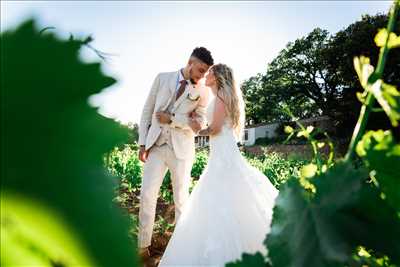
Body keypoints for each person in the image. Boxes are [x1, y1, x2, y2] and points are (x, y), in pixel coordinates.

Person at [159, 64, 279, 266]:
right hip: (222, 153)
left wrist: (196, 129)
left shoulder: (221, 98)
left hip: (223, 155)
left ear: (218, 77)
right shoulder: (222, 97)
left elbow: (214, 129)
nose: (206, 75)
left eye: (210, 73)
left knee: (221, 196)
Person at [137, 47, 214, 259]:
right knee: (147, 195)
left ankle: (182, 250)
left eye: (206, 72)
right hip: (156, 146)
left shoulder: (203, 91)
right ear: (190, 63)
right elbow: (146, 111)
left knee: (181, 200)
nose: (202, 76)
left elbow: (199, 124)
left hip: (182, 150)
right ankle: (143, 247)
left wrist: (173, 120)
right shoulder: (162, 78)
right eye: (200, 70)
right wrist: (142, 144)